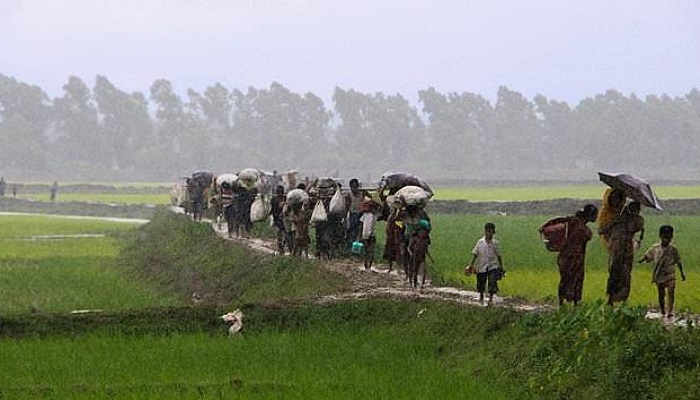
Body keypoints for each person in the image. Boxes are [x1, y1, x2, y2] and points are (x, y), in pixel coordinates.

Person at [638, 225, 686, 318]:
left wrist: (682, 273)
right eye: (665, 237)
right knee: (661, 294)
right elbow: (647, 255)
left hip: (670, 274)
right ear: (660, 236)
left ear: (672, 237)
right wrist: (640, 260)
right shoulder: (655, 248)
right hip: (659, 275)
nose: (667, 240)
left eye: (669, 238)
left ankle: (670, 311)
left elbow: (678, 261)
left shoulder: (673, 249)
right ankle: (663, 310)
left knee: (671, 292)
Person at [556, 204, 598, 307]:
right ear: (589, 215)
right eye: (595, 215)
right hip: (575, 258)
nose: (596, 217)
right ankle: (575, 303)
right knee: (576, 280)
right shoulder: (581, 227)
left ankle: (561, 303)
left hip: (563, 256)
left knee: (565, 279)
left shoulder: (571, 222)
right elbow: (588, 236)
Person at [465, 222, 505, 305]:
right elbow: (475, 254)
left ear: (493, 232)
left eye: (491, 232)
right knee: (481, 282)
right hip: (481, 265)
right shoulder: (480, 242)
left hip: (492, 266)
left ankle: (490, 298)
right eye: (488, 231)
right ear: (485, 232)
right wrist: (471, 265)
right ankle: (481, 296)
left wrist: (501, 266)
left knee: (492, 281)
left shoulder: (495, 243)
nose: (489, 234)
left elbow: (499, 256)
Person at [359, 198, 380, 270]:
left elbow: (361, 225)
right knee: (371, 250)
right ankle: (369, 265)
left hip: (366, 235)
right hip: (371, 235)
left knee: (367, 250)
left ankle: (366, 265)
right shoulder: (375, 215)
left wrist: (360, 235)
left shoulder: (366, 214)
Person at [345, 178, 365, 249]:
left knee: (359, 231)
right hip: (352, 214)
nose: (354, 189)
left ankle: (357, 246)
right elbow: (347, 206)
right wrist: (344, 217)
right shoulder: (349, 194)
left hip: (360, 214)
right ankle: (350, 246)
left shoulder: (362, 194)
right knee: (351, 231)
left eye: (355, 187)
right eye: (352, 187)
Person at [270, 185, 288, 254]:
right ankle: (281, 250)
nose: (280, 194)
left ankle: (283, 245)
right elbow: (273, 210)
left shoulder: (285, 199)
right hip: (278, 220)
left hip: (285, 220)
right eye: (279, 192)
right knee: (279, 236)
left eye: (281, 192)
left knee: (287, 236)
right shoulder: (274, 199)